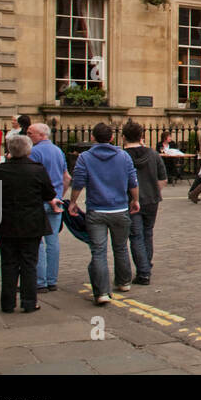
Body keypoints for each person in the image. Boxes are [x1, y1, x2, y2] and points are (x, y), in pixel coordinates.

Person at [0, 134, 62, 313]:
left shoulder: (0, 170)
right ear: (28, 150)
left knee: (8, 262)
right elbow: (49, 193)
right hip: (31, 222)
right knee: (29, 262)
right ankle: (29, 302)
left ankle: (7, 302)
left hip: (5, 222)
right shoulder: (37, 170)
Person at [67, 122, 138, 306]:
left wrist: (73, 202)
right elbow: (132, 181)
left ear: (92, 137)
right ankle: (123, 282)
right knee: (121, 247)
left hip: (97, 210)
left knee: (98, 251)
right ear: (112, 138)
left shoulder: (85, 157)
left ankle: (102, 293)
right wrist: (135, 200)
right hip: (120, 209)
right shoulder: (123, 156)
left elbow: (78, 181)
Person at [26, 123, 69, 294]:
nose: (28, 135)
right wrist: (59, 195)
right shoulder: (58, 151)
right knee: (53, 242)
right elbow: (67, 177)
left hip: (39, 201)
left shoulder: (34, 152)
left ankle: (40, 281)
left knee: (38, 242)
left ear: (42, 135)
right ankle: (52, 280)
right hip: (56, 201)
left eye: (31, 133)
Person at [122, 120, 167, 285]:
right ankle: (146, 265)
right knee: (147, 233)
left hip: (131, 200)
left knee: (136, 236)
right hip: (152, 200)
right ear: (142, 136)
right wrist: (155, 191)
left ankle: (143, 272)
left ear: (124, 137)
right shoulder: (153, 154)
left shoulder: (122, 156)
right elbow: (163, 179)